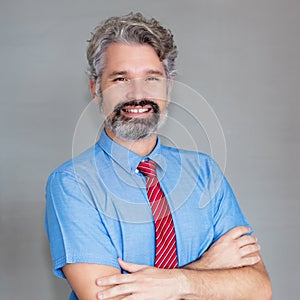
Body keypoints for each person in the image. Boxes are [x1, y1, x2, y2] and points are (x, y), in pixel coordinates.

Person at [45, 12, 272, 300]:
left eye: (151, 78)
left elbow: (258, 288)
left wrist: (175, 282)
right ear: (96, 89)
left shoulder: (205, 172)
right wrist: (206, 269)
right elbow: (107, 299)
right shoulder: (72, 184)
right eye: (120, 79)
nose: (137, 94)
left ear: (169, 87)